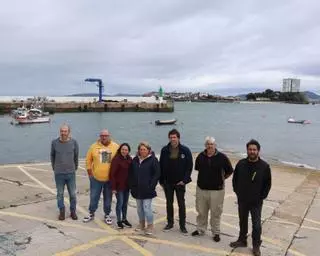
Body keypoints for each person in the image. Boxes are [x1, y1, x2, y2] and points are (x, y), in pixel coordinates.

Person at [230, 139, 272, 256]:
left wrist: (262, 196)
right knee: (242, 221)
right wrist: (237, 191)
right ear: (247, 150)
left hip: (256, 201)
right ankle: (242, 240)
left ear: (258, 151)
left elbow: (268, 183)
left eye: (254, 149)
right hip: (242, 199)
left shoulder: (264, 166)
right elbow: (235, 179)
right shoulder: (241, 164)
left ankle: (256, 245)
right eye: (250, 149)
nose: (252, 151)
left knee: (257, 225)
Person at [191, 137, 233, 242]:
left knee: (216, 213)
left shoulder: (222, 157)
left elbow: (229, 170)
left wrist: (221, 179)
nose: (210, 146)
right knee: (201, 211)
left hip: (217, 191)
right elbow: (197, 169)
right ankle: (200, 229)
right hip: (201, 189)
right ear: (205, 145)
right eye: (208, 144)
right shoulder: (200, 156)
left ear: (215, 145)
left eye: (212, 144)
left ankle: (216, 233)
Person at [159, 129, 193, 234]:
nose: (173, 139)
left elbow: (189, 166)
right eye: (171, 137)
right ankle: (170, 223)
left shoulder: (185, 150)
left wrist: (184, 180)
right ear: (169, 138)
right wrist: (161, 181)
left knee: (181, 204)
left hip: (180, 183)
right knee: (169, 203)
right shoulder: (164, 150)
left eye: (174, 137)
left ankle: (182, 226)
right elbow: (161, 165)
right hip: (168, 183)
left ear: (178, 138)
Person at [83, 129, 119, 224]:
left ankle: (107, 214)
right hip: (96, 179)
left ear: (109, 136)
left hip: (109, 179)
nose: (104, 137)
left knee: (108, 199)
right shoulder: (93, 146)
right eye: (102, 135)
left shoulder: (115, 146)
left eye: (106, 135)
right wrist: (90, 173)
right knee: (94, 197)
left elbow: (120, 159)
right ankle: (91, 213)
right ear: (100, 136)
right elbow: (88, 160)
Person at [129, 142, 160, 235]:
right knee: (139, 208)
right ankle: (141, 224)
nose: (142, 151)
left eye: (144, 149)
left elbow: (157, 174)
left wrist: (152, 185)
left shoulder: (153, 160)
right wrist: (132, 185)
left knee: (146, 208)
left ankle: (150, 225)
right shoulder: (135, 160)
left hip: (148, 189)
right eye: (141, 149)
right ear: (138, 150)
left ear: (148, 150)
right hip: (137, 189)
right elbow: (131, 173)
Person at [50, 124, 79, 221]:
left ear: (68, 132)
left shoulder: (74, 142)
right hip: (59, 174)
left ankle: (73, 211)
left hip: (71, 173)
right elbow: (52, 156)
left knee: (73, 194)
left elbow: (76, 156)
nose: (63, 133)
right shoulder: (54, 143)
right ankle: (62, 211)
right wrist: (55, 167)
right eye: (62, 131)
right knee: (60, 194)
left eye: (65, 131)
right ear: (60, 132)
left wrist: (74, 167)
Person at [110, 143, 133, 229]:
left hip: (127, 186)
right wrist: (113, 187)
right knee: (120, 203)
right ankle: (119, 220)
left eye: (126, 150)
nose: (124, 151)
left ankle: (124, 219)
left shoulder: (129, 159)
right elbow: (112, 174)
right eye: (123, 149)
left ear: (128, 151)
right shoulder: (116, 159)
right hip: (118, 187)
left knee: (125, 203)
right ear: (120, 150)